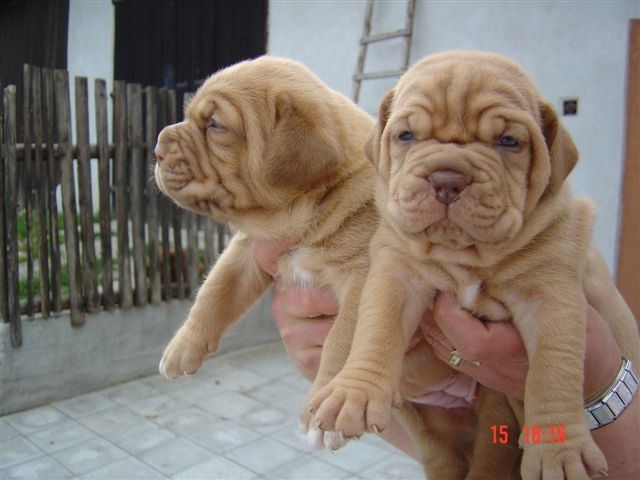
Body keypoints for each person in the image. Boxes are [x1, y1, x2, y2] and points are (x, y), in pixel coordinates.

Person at [251, 239, 640, 479]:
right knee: (460, 452)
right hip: (482, 428)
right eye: (408, 137)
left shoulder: (555, 250)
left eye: (506, 142)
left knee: (502, 441)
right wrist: (357, 376)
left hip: (540, 430)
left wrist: (595, 395)